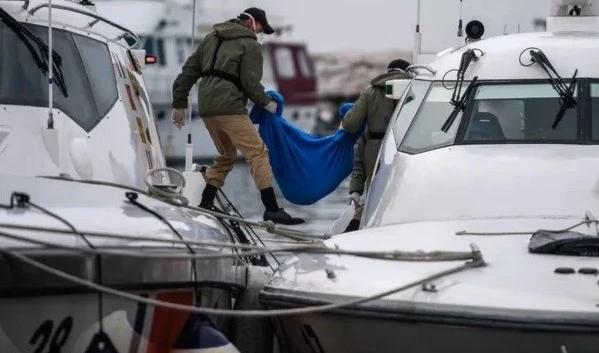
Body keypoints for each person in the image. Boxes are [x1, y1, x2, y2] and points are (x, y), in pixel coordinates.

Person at [170, 7, 304, 225]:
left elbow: (187, 72)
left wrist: (179, 104)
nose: (261, 33)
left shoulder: (210, 38)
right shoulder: (249, 44)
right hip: (229, 106)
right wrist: (267, 103)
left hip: (207, 108)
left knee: (227, 155)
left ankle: (206, 202)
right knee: (258, 152)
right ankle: (272, 209)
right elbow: (250, 83)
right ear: (251, 22)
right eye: (261, 27)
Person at [342, 58, 412, 232]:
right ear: (407, 71)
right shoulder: (415, 88)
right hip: (409, 147)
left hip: (375, 148)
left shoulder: (370, 91)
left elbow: (350, 124)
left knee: (375, 193)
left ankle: (362, 225)